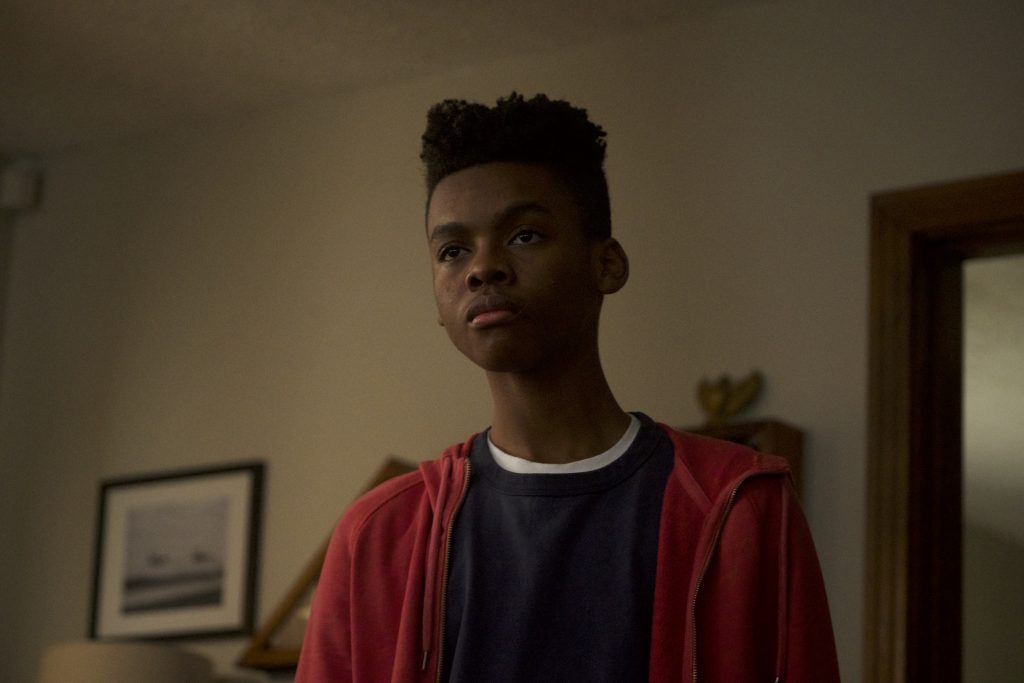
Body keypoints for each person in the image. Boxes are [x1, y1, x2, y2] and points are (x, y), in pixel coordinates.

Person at [295, 93, 840, 682]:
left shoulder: (740, 506)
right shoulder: (378, 535)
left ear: (606, 264)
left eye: (524, 236)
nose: (482, 268)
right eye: (453, 251)